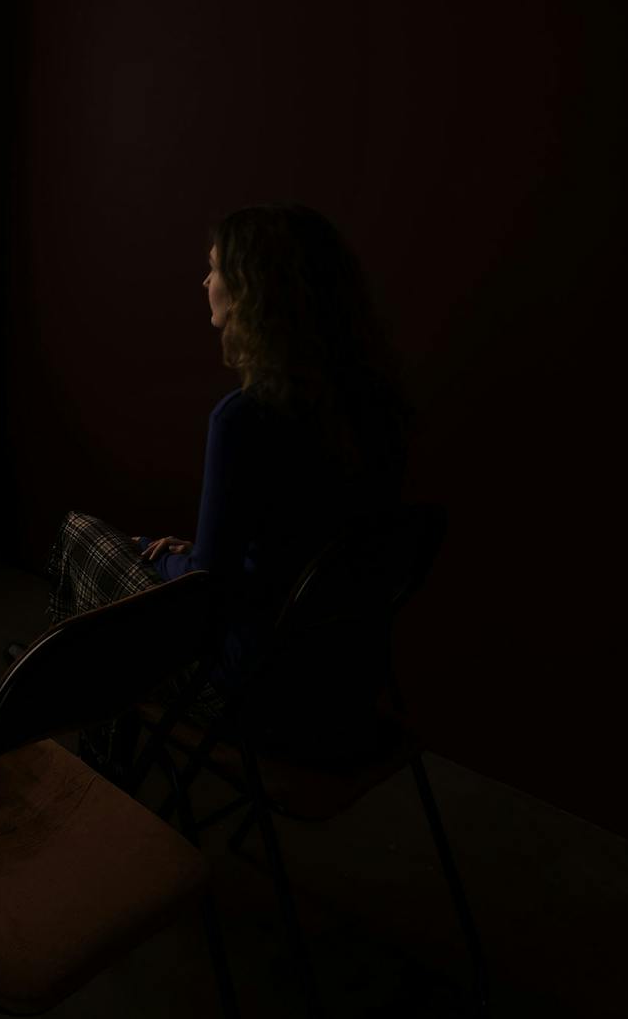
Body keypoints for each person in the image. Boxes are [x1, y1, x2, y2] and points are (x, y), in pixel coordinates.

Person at [26, 202, 416, 767]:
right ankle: (90, 724)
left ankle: (86, 750)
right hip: (345, 688)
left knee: (80, 537)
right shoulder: (376, 408)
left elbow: (208, 586)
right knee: (148, 581)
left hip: (254, 697)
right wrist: (202, 558)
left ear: (250, 291)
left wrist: (157, 561)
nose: (204, 281)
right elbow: (300, 548)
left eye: (214, 268)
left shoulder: (246, 417)